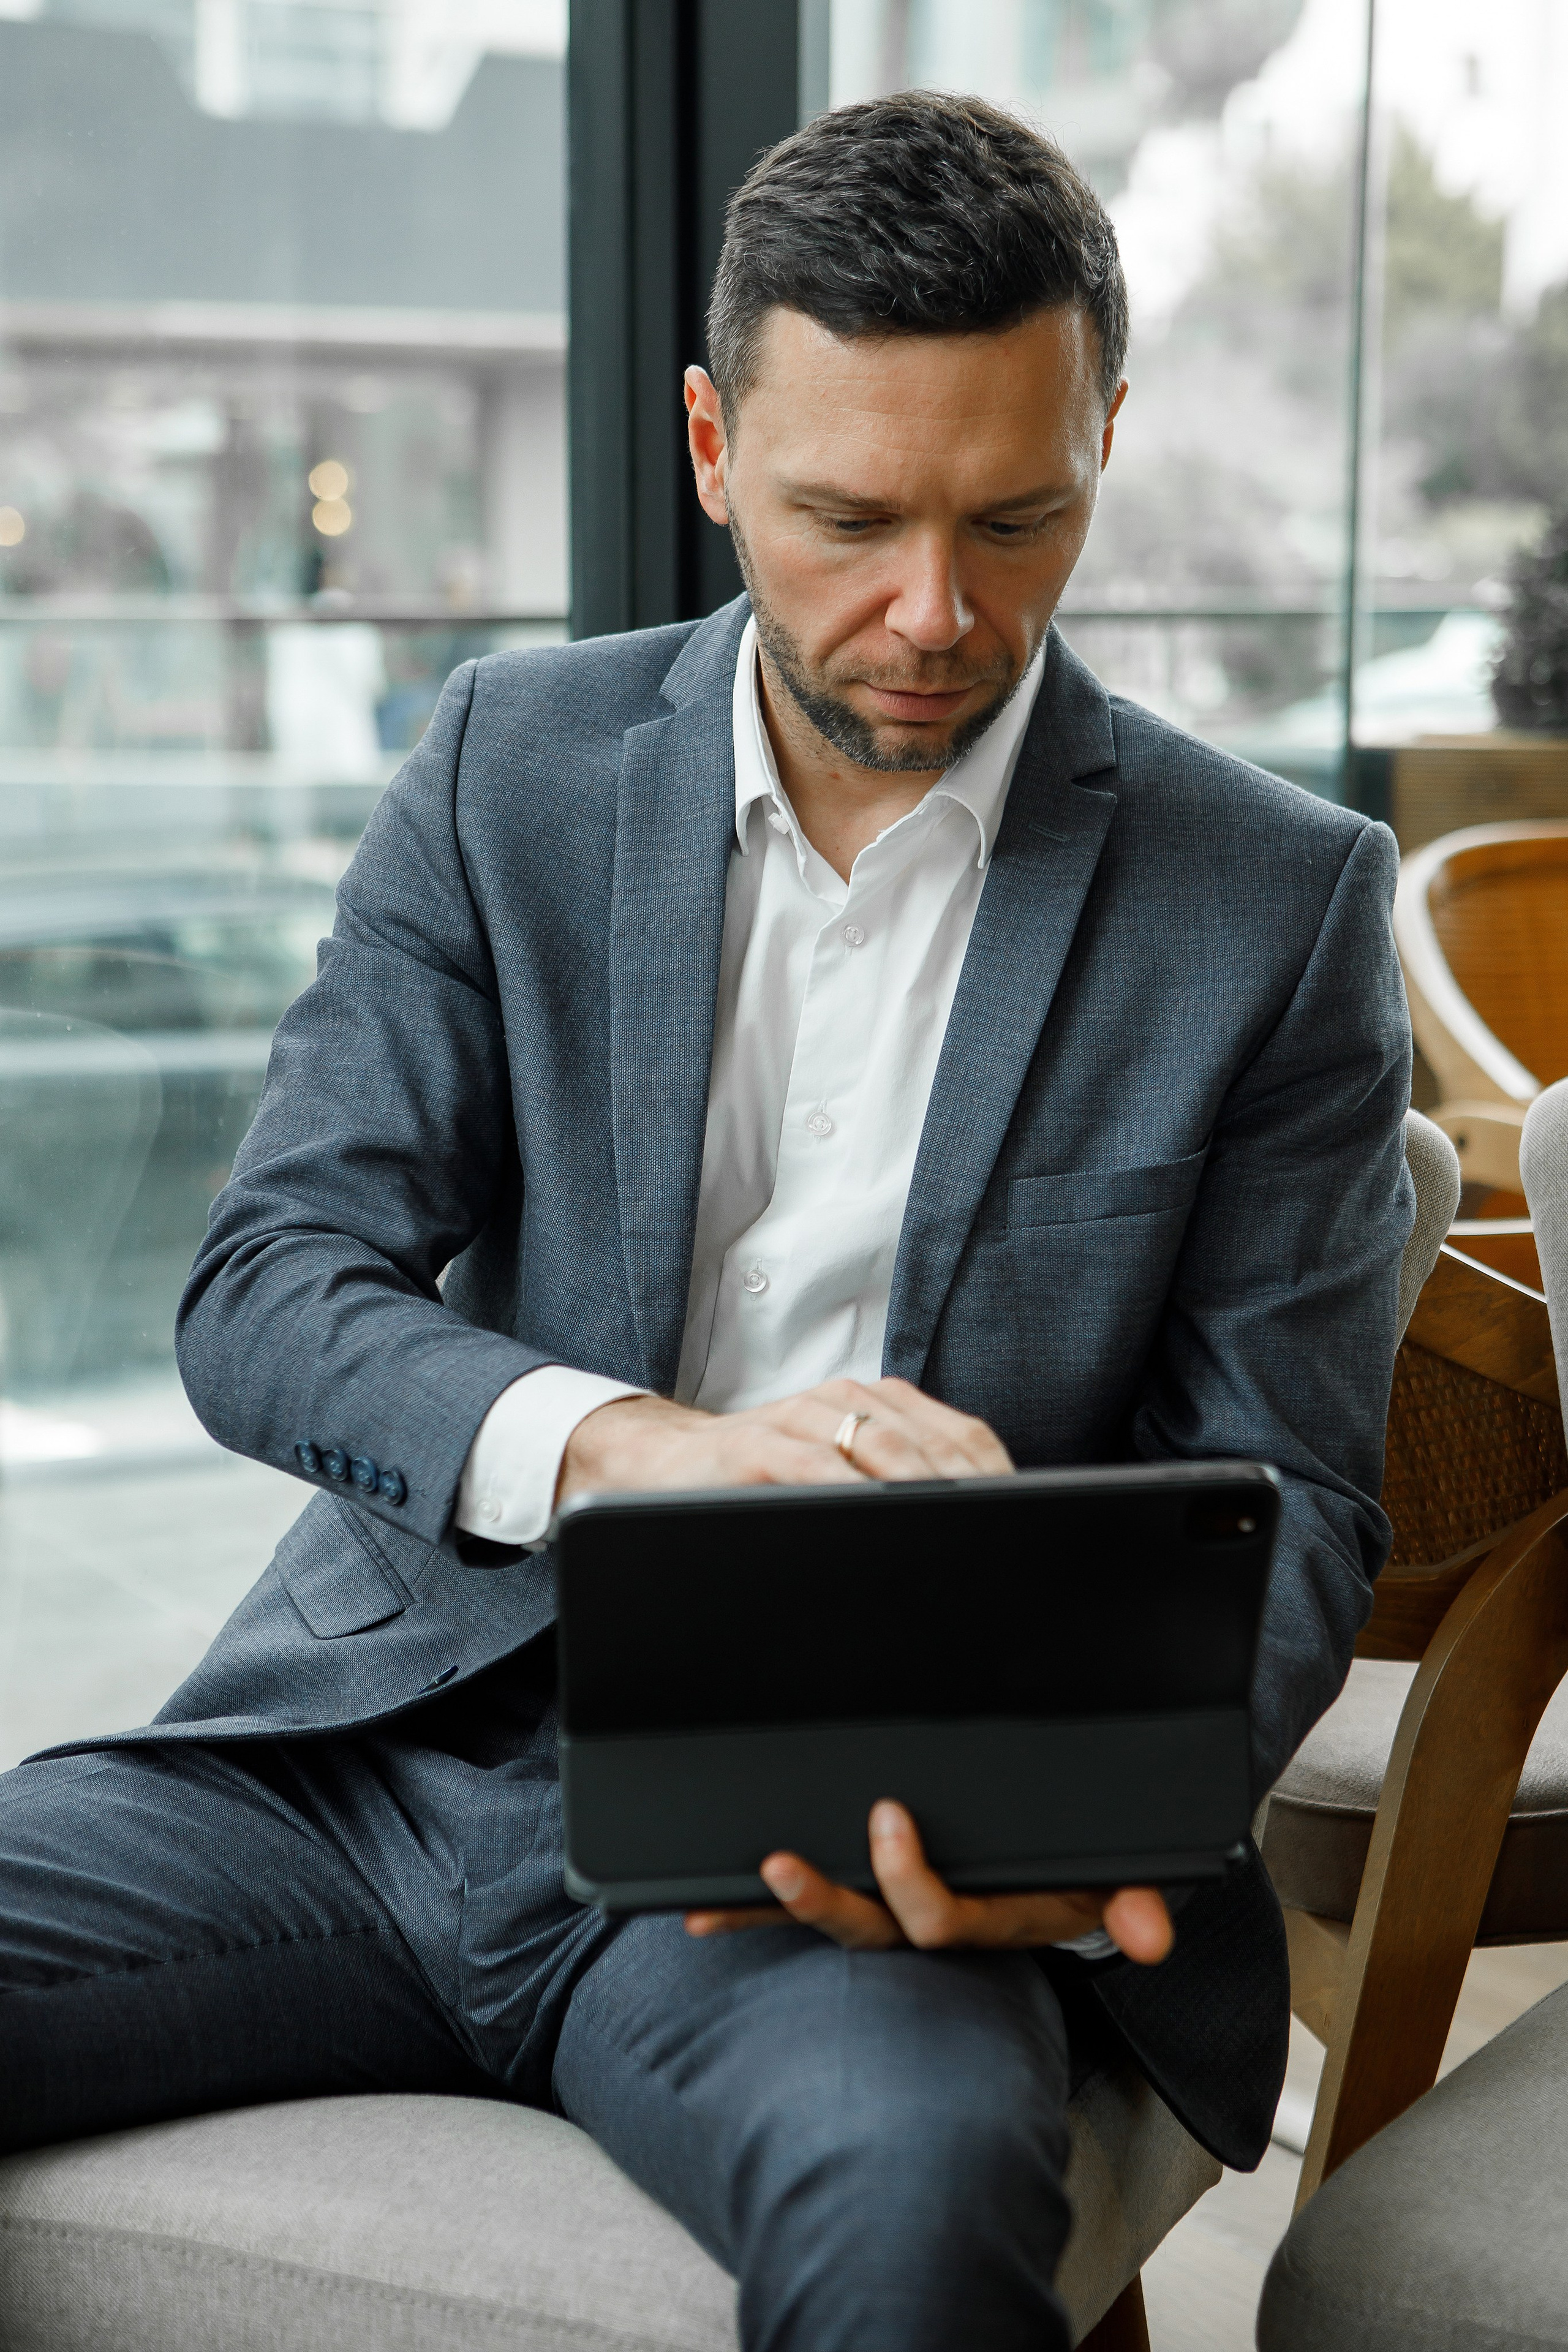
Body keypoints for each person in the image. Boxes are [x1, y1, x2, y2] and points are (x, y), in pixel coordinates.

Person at [0, 92, 1412, 2352]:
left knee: (923, 2198)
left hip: (851, 1842)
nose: (934, 615)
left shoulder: (1274, 906)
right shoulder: (507, 769)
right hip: (380, 1762)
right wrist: (623, 1445)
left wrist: (1092, 1813)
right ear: (708, 444)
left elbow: (1300, 1494)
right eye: (850, 517)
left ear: (1108, 434)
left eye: (1019, 519)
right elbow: (270, 1288)